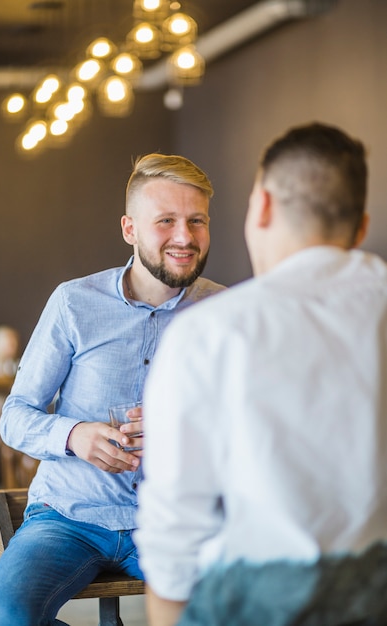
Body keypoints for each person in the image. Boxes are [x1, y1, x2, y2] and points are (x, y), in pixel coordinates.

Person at [135, 123, 387, 626]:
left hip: (256, 602)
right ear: (360, 227)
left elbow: (174, 536)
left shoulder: (211, 332)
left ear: (263, 207)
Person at [0, 153, 225, 625]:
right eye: (166, 221)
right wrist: (75, 436)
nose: (185, 237)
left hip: (175, 518)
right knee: (6, 616)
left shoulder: (224, 311)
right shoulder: (74, 303)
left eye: (197, 221)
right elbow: (15, 415)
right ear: (129, 229)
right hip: (68, 516)